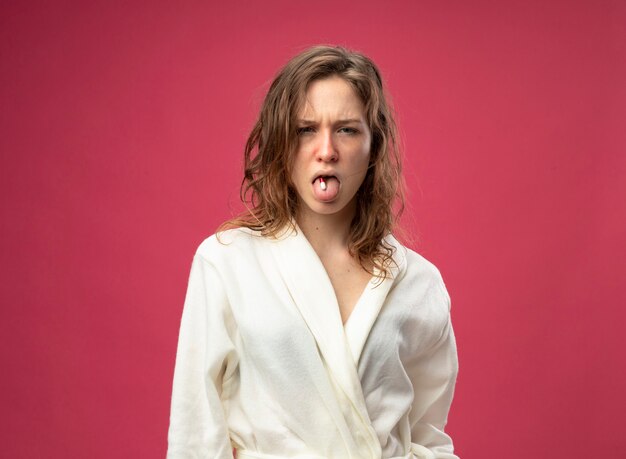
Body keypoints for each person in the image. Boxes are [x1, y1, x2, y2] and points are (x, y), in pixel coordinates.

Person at [166, 44, 460, 459]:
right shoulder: (226, 262)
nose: (327, 150)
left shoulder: (419, 282)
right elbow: (194, 437)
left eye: (347, 129)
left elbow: (429, 437)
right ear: (282, 145)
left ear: (373, 146)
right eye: (305, 129)